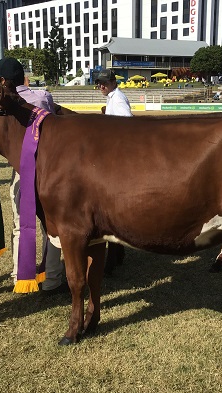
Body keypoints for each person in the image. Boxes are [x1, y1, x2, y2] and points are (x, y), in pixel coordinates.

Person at [0, 57, 66, 295]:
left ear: (2, 81)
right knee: (51, 226)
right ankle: (52, 278)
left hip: (20, 171)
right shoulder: (42, 97)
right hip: (49, 171)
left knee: (19, 224)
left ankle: (19, 276)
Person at [95, 69, 132, 274]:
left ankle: (115, 254)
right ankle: (117, 253)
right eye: (99, 83)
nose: (101, 86)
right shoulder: (113, 97)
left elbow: (127, 125)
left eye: (104, 83)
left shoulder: (117, 99)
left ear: (112, 82)